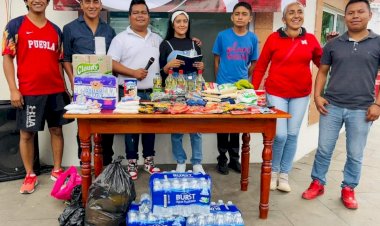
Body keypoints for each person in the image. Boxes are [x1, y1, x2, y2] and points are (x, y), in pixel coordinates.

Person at [302, 0, 380, 209]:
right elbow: (322, 71)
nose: (355, 16)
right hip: (332, 106)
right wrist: (317, 96)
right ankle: (317, 183)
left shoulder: (378, 43)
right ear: (345, 16)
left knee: (355, 153)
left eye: (360, 12)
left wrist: (378, 104)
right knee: (324, 149)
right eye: (350, 12)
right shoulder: (333, 44)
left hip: (362, 109)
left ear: (369, 15)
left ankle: (349, 188)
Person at [2, 0, 73, 194]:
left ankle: (57, 170)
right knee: (26, 134)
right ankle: (29, 175)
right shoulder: (15, 26)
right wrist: (13, 89)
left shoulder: (56, 30)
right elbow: (7, 57)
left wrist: (65, 88)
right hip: (30, 92)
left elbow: (59, 61)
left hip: (55, 91)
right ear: (26, 1)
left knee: (57, 130)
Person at [252, 2, 322, 192]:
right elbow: (261, 66)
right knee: (280, 135)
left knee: (292, 135)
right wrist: (252, 91)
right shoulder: (274, 38)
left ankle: (284, 174)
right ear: (284, 18)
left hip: (301, 94)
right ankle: (273, 171)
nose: (296, 15)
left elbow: (323, 64)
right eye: (291, 12)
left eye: (299, 12)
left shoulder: (311, 39)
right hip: (276, 92)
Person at [107, 0, 161, 180]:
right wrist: (133, 73)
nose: (140, 15)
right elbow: (111, 63)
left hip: (152, 91)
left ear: (148, 16)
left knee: (149, 128)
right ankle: (131, 162)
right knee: (131, 128)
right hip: (129, 90)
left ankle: (149, 161)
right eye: (136, 12)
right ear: (129, 16)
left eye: (143, 12)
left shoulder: (156, 38)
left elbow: (170, 51)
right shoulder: (120, 38)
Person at [62, 0, 115, 166]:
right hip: (83, 89)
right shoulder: (70, 28)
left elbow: (114, 59)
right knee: (84, 128)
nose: (91, 6)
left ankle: (106, 164)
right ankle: (85, 163)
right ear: (82, 5)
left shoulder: (109, 30)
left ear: (100, 5)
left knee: (106, 126)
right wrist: (73, 82)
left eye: (95, 2)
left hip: (105, 88)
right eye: (87, 2)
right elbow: (66, 59)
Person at [212, 1, 258, 175]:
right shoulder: (222, 36)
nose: (240, 17)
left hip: (241, 88)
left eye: (244, 14)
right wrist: (219, 81)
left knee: (237, 123)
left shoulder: (252, 38)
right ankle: (222, 159)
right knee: (223, 123)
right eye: (237, 13)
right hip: (223, 86)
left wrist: (245, 77)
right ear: (232, 16)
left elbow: (254, 62)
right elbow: (216, 60)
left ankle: (234, 159)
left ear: (249, 18)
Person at [159, 10, 205, 174]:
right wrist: (169, 65)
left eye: (184, 21)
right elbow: (162, 71)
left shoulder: (195, 44)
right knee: (177, 127)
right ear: (172, 24)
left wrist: (201, 67)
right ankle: (180, 161)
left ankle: (197, 162)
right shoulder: (166, 44)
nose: (182, 24)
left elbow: (199, 67)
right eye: (178, 21)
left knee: (196, 128)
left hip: (194, 88)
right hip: (174, 88)